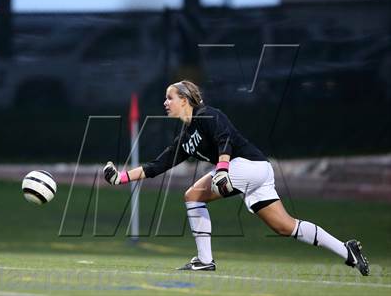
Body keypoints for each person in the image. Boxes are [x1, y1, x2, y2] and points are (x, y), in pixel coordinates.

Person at [103, 80, 369, 275]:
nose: (165, 102)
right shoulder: (184, 139)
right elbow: (157, 166)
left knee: (192, 195)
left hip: (249, 165)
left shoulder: (208, 114)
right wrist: (120, 178)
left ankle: (204, 259)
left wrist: (221, 170)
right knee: (285, 227)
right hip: (256, 172)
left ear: (185, 100)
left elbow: (225, 139)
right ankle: (347, 251)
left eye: (169, 97)